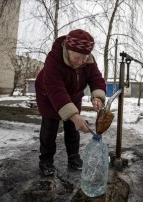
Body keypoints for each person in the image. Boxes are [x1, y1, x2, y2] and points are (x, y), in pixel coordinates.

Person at [35, 29, 106, 176]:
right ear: (68, 50)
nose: (81, 62)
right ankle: (46, 161)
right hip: (49, 94)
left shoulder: (88, 60)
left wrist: (97, 97)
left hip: (73, 94)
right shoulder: (54, 59)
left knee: (73, 128)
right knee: (50, 127)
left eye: (84, 58)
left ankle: (73, 157)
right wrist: (74, 115)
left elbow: (96, 79)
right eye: (77, 57)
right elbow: (56, 90)